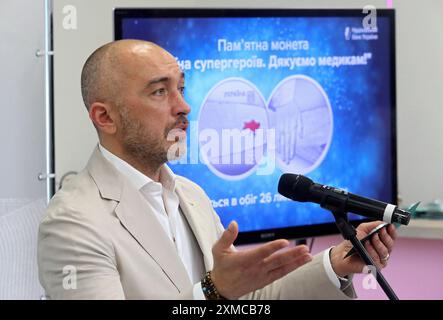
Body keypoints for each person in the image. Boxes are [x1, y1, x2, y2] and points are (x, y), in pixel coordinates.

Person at [37, 39, 397, 300]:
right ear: (105, 117)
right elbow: (220, 295)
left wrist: (335, 264)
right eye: (159, 92)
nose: (184, 106)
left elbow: (247, 300)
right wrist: (213, 292)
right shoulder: (73, 224)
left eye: (180, 88)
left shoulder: (189, 195)